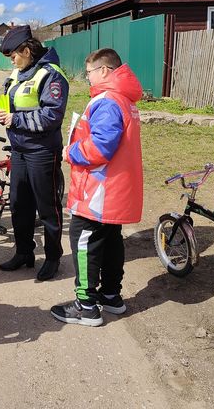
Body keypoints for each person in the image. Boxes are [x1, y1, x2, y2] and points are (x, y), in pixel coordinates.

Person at [50, 49, 143, 326]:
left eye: (89, 72)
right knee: (112, 241)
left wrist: (71, 152)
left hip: (98, 190)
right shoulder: (124, 99)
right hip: (114, 189)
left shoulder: (107, 101)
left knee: (84, 243)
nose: (87, 77)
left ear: (104, 70)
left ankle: (86, 305)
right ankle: (111, 295)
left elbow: (101, 146)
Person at [0, 25, 69, 281]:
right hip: (20, 150)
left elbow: (52, 115)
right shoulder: (19, 73)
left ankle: (52, 257)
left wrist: (16, 119)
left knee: (47, 207)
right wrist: (7, 116)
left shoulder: (51, 75)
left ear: (26, 51)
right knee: (19, 204)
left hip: (42, 151)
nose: (12, 61)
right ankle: (25, 252)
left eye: (14, 55)